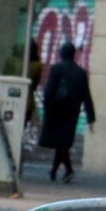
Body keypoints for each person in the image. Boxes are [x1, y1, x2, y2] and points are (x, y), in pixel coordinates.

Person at [40, 42, 95, 183]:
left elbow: (49, 91)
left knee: (61, 144)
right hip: (71, 113)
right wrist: (90, 117)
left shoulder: (56, 69)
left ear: (62, 53)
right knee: (62, 143)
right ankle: (55, 171)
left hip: (56, 112)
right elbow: (86, 96)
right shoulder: (81, 73)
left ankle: (68, 170)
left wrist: (45, 106)